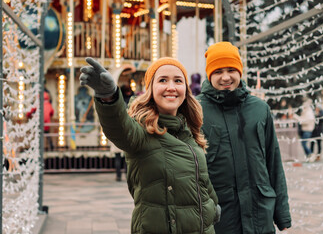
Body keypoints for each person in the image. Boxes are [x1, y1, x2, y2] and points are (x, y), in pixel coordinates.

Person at [80, 57, 220, 233]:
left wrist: (213, 204)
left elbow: (201, 179)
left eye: (178, 80)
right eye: (163, 80)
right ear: (151, 89)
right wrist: (109, 97)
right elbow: (119, 127)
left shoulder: (189, 131)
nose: (171, 87)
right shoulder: (141, 131)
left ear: (186, 89)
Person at [197, 42, 291, 234]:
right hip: (220, 216)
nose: (225, 77)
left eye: (231, 69)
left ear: (240, 71)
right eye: (218, 71)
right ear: (209, 74)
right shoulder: (195, 110)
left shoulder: (260, 109)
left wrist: (282, 214)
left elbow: (273, 163)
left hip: (259, 214)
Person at [294, 98, 316, 162]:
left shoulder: (308, 112)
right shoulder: (305, 112)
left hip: (308, 130)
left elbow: (305, 121)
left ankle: (310, 154)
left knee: (304, 143)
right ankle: (308, 156)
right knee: (303, 143)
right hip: (305, 130)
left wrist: (296, 117)